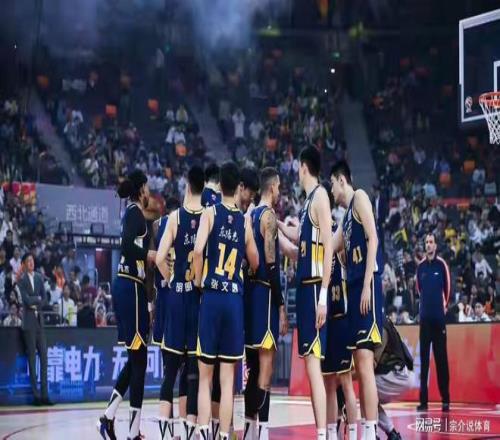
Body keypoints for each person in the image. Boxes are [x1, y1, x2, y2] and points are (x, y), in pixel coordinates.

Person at [193, 161, 259, 440]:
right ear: (238, 187)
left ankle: (202, 432)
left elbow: (198, 251)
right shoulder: (244, 222)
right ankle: (223, 435)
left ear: (220, 185)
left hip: (211, 297)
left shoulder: (210, 213)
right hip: (233, 300)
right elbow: (255, 261)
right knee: (228, 379)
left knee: (205, 378)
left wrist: (198, 280)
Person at [278, 146, 333, 439]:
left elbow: (328, 247)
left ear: (303, 167)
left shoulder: (320, 196)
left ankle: (323, 434)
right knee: (313, 368)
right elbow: (299, 239)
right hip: (305, 288)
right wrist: (276, 225)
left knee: (314, 367)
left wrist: (323, 296)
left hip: (314, 288)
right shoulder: (307, 202)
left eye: (297, 168)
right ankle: (323, 430)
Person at [97, 170, 157, 440]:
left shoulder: (132, 213)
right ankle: (132, 432)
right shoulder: (134, 213)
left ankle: (108, 417)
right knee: (139, 362)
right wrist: (149, 254)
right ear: (141, 189)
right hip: (130, 286)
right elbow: (126, 246)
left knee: (136, 360)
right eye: (148, 188)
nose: (149, 193)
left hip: (130, 287)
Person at [330, 160, 384, 440]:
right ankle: (369, 427)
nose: (331, 190)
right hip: (353, 292)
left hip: (365, 288)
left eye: (332, 183)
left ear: (342, 180)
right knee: (360, 366)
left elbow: (373, 239)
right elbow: (330, 245)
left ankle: (371, 431)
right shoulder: (345, 218)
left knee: (364, 361)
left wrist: (366, 285)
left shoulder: (360, 197)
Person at [155, 166, 205, 440]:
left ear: (187, 185)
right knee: (193, 372)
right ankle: (188, 433)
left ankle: (165, 433)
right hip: (197, 298)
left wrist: (171, 278)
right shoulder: (208, 216)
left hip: (177, 297)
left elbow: (159, 257)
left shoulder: (175, 217)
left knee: (171, 370)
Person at [243, 168, 288, 440]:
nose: (280, 192)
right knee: (266, 369)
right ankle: (264, 432)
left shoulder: (249, 215)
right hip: (264, 295)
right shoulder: (268, 217)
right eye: (279, 187)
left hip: (249, 296)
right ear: (272, 187)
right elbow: (271, 266)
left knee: (253, 369)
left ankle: (249, 430)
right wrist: (281, 306)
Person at [321, 236, 357, 440]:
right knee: (329, 384)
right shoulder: (321, 249)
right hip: (328, 324)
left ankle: (352, 434)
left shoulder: (341, 249)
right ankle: (331, 435)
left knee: (346, 381)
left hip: (343, 321)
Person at [416, 233, 450, 412]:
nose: (428, 245)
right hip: (425, 322)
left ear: (436, 246)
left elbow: (448, 290)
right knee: (424, 363)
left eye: (431, 242)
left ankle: (446, 399)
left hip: (438, 321)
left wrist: (442, 308)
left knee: (441, 360)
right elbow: (419, 290)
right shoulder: (420, 267)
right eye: (426, 242)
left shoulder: (441, 265)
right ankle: (423, 402)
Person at [16, 253, 53, 406]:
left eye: (32, 260)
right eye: (28, 261)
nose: (31, 263)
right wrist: (36, 299)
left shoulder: (39, 277)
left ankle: (45, 395)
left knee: (44, 357)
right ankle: (36, 396)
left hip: (39, 322)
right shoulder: (21, 280)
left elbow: (45, 299)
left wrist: (36, 301)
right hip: (28, 323)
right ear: (24, 264)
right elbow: (26, 300)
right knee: (32, 359)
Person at [374, 317, 414, 440]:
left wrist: (344, 376)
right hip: (398, 373)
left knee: (367, 390)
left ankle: (372, 433)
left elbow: (372, 363)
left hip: (397, 375)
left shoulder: (381, 326)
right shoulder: (381, 320)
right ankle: (392, 433)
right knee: (370, 396)